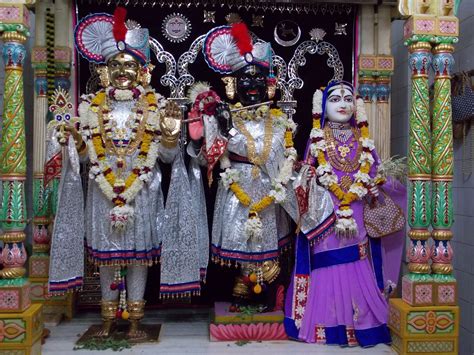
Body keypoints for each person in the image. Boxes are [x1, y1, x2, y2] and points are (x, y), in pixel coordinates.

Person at [48, 8, 186, 339]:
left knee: (139, 258)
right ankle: (107, 319)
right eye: (116, 65)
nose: (123, 71)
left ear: (142, 71)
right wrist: (78, 141)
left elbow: (166, 158)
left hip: (143, 191)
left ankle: (136, 320)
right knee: (107, 258)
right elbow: (83, 160)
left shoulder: (157, 106)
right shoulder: (89, 107)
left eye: (130, 65)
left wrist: (169, 135)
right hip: (102, 191)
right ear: (105, 71)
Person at [285, 80, 406, 347]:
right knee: (329, 261)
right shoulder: (317, 137)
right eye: (336, 99)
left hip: (358, 207)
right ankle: (328, 326)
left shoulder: (363, 138)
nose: (343, 104)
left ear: (356, 106)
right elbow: (308, 170)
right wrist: (309, 175)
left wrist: (375, 184)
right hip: (327, 211)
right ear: (323, 106)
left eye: (348, 99)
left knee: (357, 260)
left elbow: (374, 171)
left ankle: (360, 325)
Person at [187, 22, 297, 310]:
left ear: (268, 84)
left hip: (270, 192)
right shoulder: (225, 117)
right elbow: (204, 160)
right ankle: (243, 289)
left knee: (267, 247)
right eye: (245, 80)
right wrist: (216, 126)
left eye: (258, 79)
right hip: (237, 191)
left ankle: (266, 293)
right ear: (233, 84)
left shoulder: (281, 121)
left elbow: (285, 157)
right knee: (242, 245)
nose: (252, 86)